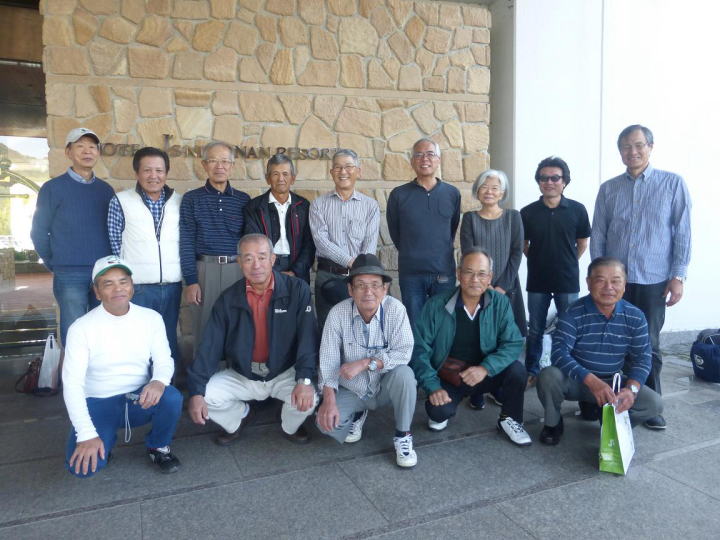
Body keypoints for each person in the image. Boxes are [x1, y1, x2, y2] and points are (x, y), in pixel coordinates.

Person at [591, 125, 691, 430]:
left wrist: (678, 276)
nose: (632, 152)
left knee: (648, 344)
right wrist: (597, 276)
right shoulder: (609, 188)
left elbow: (682, 232)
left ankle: (650, 405)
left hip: (653, 280)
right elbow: (599, 233)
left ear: (650, 146)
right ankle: (612, 401)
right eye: (625, 146)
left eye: (638, 145)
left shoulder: (672, 184)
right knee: (613, 341)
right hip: (615, 282)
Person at [187, 234, 318, 446]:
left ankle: (289, 426)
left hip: (284, 372)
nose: (256, 265)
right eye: (248, 258)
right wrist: (196, 391)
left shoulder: (297, 290)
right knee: (205, 396)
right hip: (244, 374)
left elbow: (308, 339)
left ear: (273, 259)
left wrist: (304, 380)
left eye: (262, 257)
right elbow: (210, 345)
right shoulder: (228, 298)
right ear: (239, 263)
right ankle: (239, 416)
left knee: (310, 398)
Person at [62, 255, 183, 477]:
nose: (118, 288)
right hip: (99, 401)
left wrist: (158, 381)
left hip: (138, 398)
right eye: (108, 283)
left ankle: (158, 446)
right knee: (81, 469)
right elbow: (72, 384)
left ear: (132, 286)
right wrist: (86, 434)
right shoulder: (81, 328)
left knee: (171, 397)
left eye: (123, 281)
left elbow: (164, 359)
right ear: (97, 292)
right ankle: (104, 438)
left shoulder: (151, 318)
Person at [411, 248, 531, 446]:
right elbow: (419, 349)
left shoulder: (500, 303)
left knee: (517, 371)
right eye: (469, 272)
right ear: (458, 274)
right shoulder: (436, 305)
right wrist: (433, 387)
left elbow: (513, 342)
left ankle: (510, 419)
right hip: (452, 376)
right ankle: (447, 404)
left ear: (489, 277)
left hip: (486, 373)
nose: (475, 279)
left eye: (482, 273)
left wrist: (485, 368)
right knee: (438, 413)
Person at [536, 257, 663, 445]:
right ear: (588, 283)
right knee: (548, 376)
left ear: (624, 285)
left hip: (612, 383)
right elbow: (559, 354)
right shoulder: (573, 312)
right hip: (578, 380)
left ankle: (613, 422)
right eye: (600, 280)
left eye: (615, 281)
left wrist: (631, 390)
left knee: (654, 404)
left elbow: (642, 359)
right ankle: (553, 424)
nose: (608, 287)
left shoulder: (635, 316)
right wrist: (592, 381)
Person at [317, 254, 418, 468]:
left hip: (384, 388)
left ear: (385, 289)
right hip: (353, 389)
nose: (368, 292)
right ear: (350, 290)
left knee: (405, 375)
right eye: (361, 285)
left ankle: (403, 435)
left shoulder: (396, 310)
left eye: (374, 285)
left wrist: (367, 363)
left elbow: (404, 352)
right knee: (325, 423)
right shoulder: (337, 314)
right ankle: (358, 413)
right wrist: (329, 400)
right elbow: (328, 360)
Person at [31, 127, 115, 347]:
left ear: (98, 152)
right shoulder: (52, 188)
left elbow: (113, 229)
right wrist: (55, 262)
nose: (87, 151)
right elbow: (38, 231)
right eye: (80, 146)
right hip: (69, 273)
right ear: (68, 152)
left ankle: (99, 369)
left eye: (92, 147)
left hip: (102, 271)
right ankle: (73, 370)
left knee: (102, 327)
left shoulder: (105, 190)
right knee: (74, 329)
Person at [107, 147, 183, 382]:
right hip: (139, 287)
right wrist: (122, 283)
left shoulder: (179, 201)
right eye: (147, 170)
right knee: (138, 340)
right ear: (137, 173)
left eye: (159, 170)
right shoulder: (121, 201)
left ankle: (167, 386)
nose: (154, 176)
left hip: (172, 285)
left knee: (168, 339)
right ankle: (137, 387)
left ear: (166, 172)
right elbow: (114, 245)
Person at [520, 156, 590, 382]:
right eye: (543, 178)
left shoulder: (578, 210)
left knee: (569, 328)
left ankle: (568, 370)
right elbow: (524, 244)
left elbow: (582, 243)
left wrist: (567, 261)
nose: (549, 182)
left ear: (564, 181)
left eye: (555, 178)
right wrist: (539, 260)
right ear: (538, 182)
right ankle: (532, 371)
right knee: (535, 329)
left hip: (567, 280)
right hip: (537, 280)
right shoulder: (527, 212)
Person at [180, 141, 250, 353]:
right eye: (213, 161)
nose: (219, 166)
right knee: (205, 327)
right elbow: (186, 240)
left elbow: (248, 241)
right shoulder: (191, 199)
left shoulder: (243, 200)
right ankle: (203, 373)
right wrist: (191, 281)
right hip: (204, 270)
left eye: (225, 161)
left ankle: (235, 372)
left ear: (232, 166)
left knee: (237, 325)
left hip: (236, 270)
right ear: (204, 165)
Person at [387, 138, 461, 327]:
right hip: (411, 273)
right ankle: (418, 350)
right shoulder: (399, 195)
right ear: (412, 161)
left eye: (430, 154)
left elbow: (451, 228)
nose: (424, 159)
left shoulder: (452, 193)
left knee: (443, 324)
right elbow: (395, 232)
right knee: (415, 324)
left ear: (438, 160)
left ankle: (440, 350)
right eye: (418, 155)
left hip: (443, 272)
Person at [309, 149, 380, 328]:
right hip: (327, 276)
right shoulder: (318, 205)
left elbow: (370, 245)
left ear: (358, 171)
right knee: (328, 329)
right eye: (338, 167)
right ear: (331, 172)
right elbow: (321, 242)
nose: (343, 172)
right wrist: (350, 261)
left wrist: (360, 268)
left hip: (359, 278)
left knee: (360, 327)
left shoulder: (370, 206)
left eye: (348, 166)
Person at [460, 169, 526, 337]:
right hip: (477, 285)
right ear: (477, 191)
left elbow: (516, 252)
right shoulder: (469, 218)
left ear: (502, 193)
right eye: (484, 187)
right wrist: (485, 286)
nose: (489, 191)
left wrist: (501, 287)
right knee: (479, 334)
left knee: (508, 334)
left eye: (495, 188)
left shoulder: (513, 217)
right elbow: (468, 254)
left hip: (508, 284)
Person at [243, 153, 315, 283]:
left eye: (285, 174)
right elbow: (253, 243)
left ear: (293, 178)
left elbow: (309, 244)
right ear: (268, 178)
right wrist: (269, 271)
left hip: (297, 269)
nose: (281, 179)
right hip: (265, 268)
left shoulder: (303, 206)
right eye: (275, 174)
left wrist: (295, 272)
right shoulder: (254, 207)